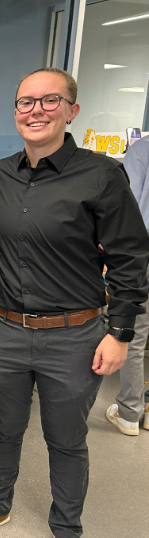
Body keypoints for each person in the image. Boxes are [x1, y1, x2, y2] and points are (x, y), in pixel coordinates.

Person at [0, 68, 149, 538]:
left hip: (74, 334)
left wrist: (120, 332)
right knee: (3, 426)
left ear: (72, 111)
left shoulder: (102, 175)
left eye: (49, 101)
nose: (35, 110)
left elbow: (132, 259)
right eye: (25, 102)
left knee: (66, 438)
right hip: (1, 328)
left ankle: (67, 530)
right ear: (15, 111)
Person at [108, 132, 149, 435]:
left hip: (143, 253)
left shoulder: (142, 149)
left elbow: (128, 202)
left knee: (133, 336)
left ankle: (130, 413)